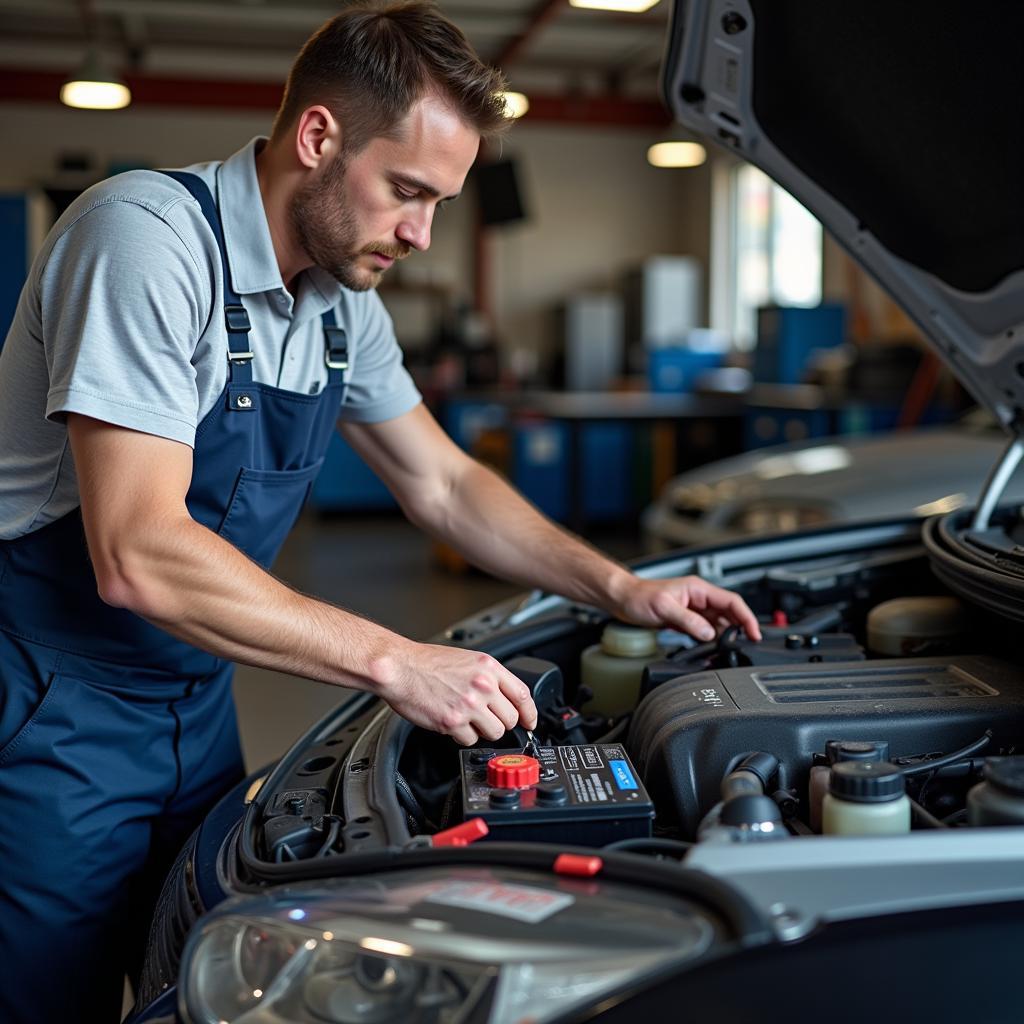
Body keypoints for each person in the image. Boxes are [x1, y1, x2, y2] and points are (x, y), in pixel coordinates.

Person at [0, 1, 761, 1019]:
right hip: (59, 706)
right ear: (318, 137)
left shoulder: (338, 302)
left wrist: (621, 587)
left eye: (440, 202)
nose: (420, 233)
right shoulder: (144, 240)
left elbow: (442, 482)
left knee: (200, 973)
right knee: (48, 996)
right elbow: (137, 552)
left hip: (195, 697)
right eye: (406, 191)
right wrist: (398, 659)